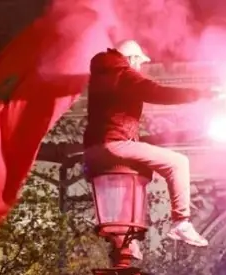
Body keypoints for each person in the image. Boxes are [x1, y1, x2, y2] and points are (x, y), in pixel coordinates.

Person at [83, 40, 215, 260]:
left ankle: (125, 241)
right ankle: (181, 222)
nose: (140, 68)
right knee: (178, 163)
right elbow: (156, 92)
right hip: (114, 144)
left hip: (93, 152)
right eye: (140, 63)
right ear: (132, 58)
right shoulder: (122, 73)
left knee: (136, 175)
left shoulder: (101, 75)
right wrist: (199, 94)